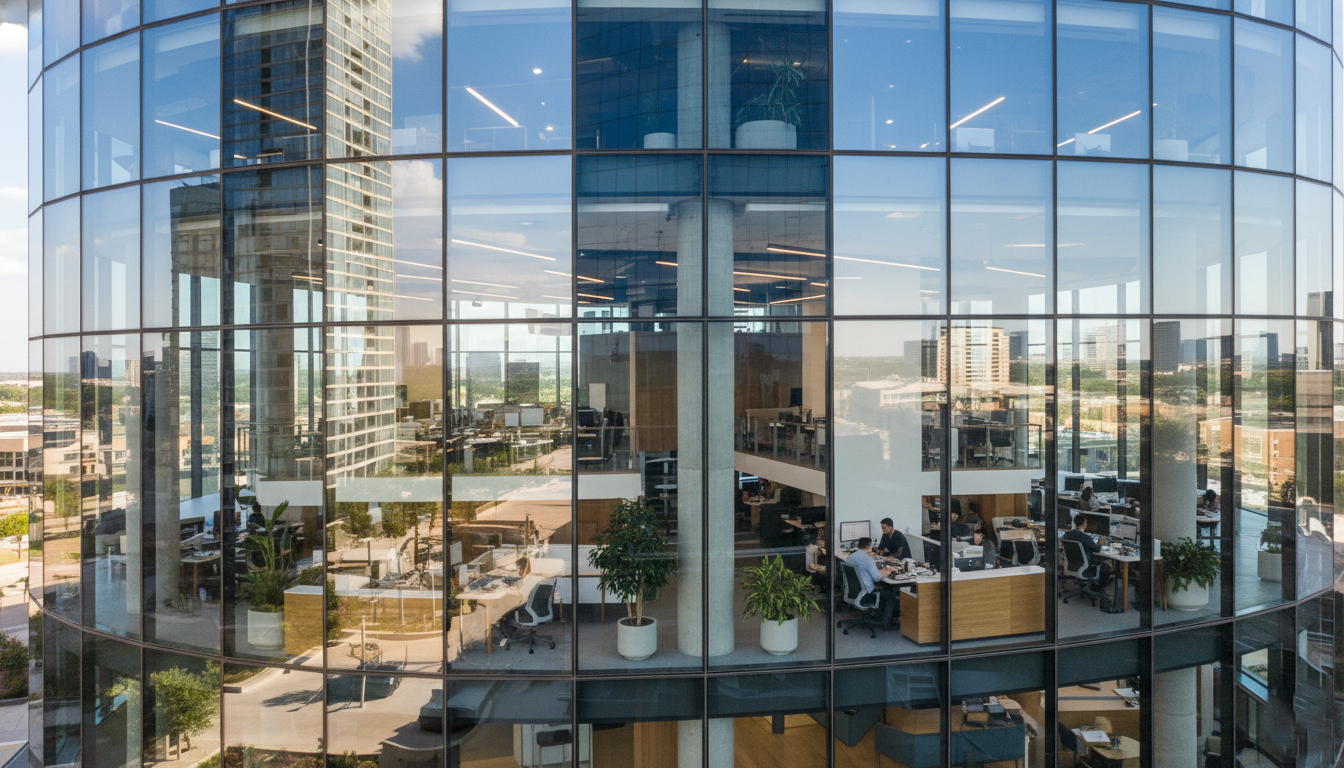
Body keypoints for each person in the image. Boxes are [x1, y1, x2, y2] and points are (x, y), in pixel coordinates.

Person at [847, 537, 896, 628]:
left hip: (853, 592)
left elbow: (865, 572)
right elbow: (876, 578)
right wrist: (887, 572)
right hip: (865, 594)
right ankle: (885, 624)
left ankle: (877, 615)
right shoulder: (868, 559)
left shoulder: (851, 557)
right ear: (870, 546)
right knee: (890, 594)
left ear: (858, 545)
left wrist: (882, 571)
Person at [1061, 517, 1113, 588]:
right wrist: (1100, 543)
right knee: (1107, 567)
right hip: (1085, 567)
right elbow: (1097, 550)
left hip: (1071, 565)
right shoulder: (1086, 537)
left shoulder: (1066, 535)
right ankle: (1097, 588)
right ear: (1085, 524)